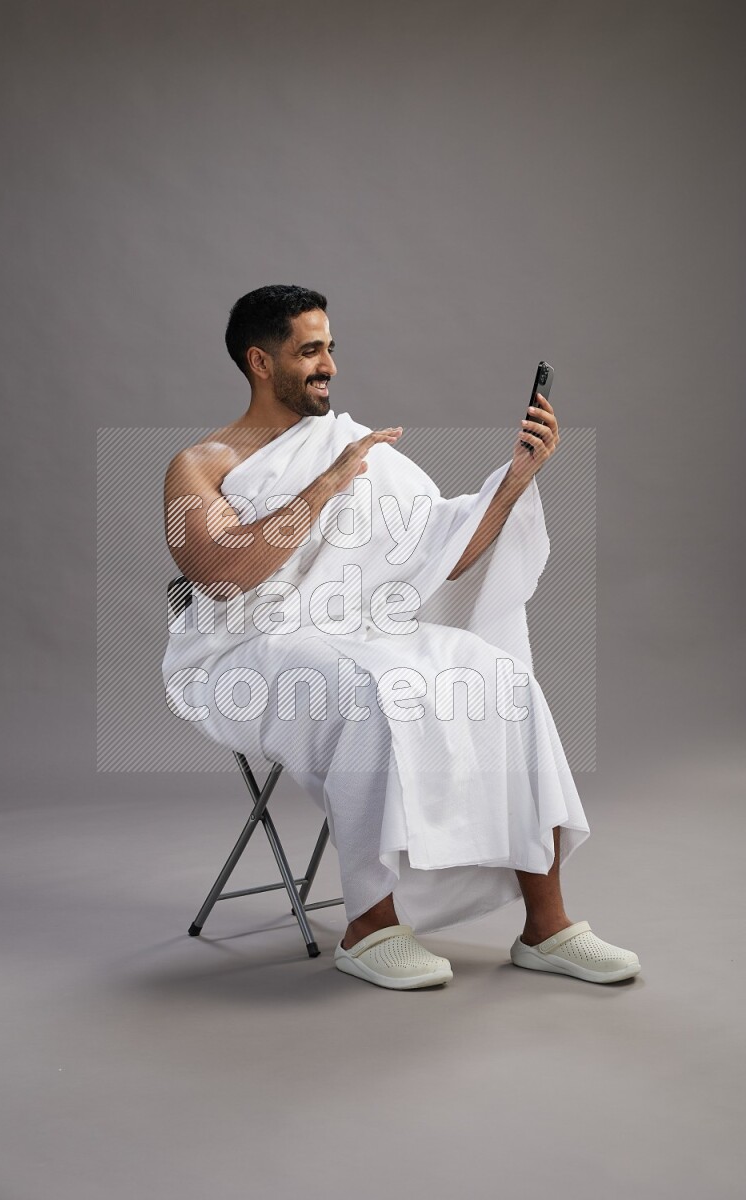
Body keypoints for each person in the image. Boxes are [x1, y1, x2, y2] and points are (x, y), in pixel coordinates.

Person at [161, 284, 641, 991]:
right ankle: (370, 926)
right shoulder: (202, 464)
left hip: (361, 627)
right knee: (367, 692)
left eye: (330, 349)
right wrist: (327, 484)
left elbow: (442, 555)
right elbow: (219, 574)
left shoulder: (357, 450)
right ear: (260, 362)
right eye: (309, 351)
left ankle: (546, 926)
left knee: (497, 674)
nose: (328, 365)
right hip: (247, 650)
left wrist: (515, 480)